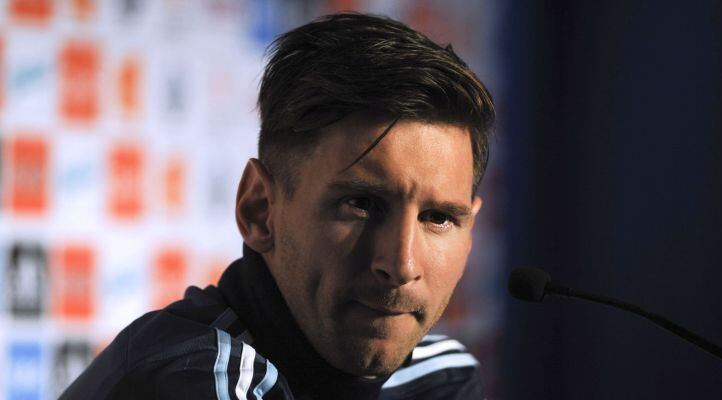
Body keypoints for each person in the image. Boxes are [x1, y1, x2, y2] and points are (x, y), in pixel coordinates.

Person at [62, 12, 495, 400]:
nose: (400, 265)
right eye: (361, 204)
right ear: (259, 210)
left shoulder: (438, 377)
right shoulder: (196, 379)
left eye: (438, 217)